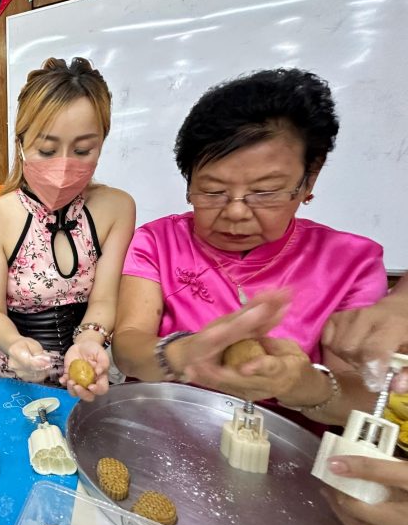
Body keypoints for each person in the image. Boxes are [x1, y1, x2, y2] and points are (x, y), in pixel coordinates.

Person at [112, 68, 387, 428]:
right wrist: (184, 353)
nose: (236, 211)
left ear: (309, 180)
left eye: (265, 192)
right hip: (161, 432)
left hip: (289, 454)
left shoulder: (351, 263)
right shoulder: (158, 241)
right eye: (212, 192)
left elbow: (364, 396)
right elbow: (129, 345)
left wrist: (305, 386)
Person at [0, 57, 135, 401]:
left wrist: (89, 341)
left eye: (82, 150)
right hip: (18, 372)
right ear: (21, 143)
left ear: (102, 143)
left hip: (90, 370)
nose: (63, 166)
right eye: (47, 150)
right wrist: (16, 345)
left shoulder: (116, 208)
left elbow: (105, 299)